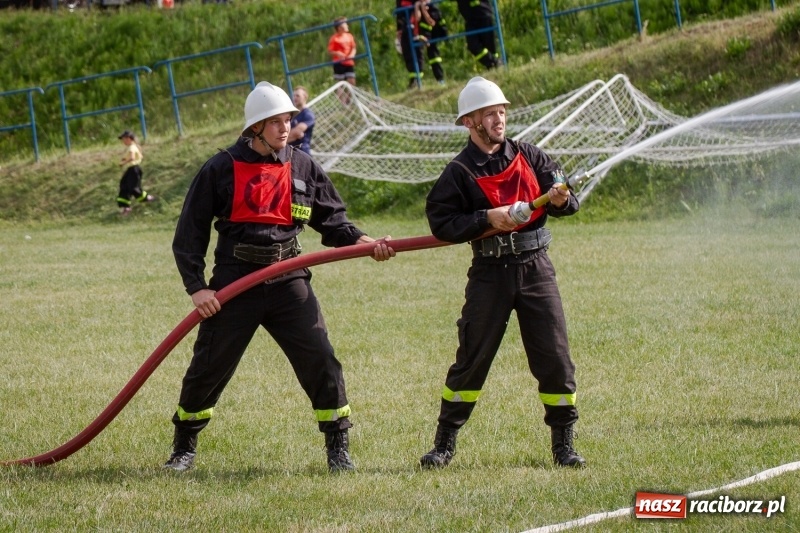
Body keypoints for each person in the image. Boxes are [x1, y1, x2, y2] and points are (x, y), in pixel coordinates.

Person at [164, 81, 395, 473]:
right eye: (274, 121)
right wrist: (198, 288)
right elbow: (189, 234)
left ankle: (338, 448)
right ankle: (184, 447)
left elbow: (333, 220)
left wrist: (365, 242)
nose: (284, 127)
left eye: (287, 119)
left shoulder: (303, 165)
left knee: (321, 358)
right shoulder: (220, 168)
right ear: (254, 127)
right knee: (208, 366)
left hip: (289, 279)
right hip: (235, 281)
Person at [419, 77, 586, 470]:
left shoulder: (530, 155)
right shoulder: (459, 171)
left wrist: (560, 198)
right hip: (490, 273)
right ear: (469, 122)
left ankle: (564, 445)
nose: (499, 119)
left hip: (536, 269)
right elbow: (441, 222)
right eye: (490, 114)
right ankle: (444, 444)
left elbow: (569, 201)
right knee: (472, 357)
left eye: (502, 112)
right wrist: (485, 218)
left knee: (555, 358)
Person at [116, 130, 155, 215]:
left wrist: (123, 163)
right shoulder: (131, 147)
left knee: (133, 187)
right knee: (124, 185)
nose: (123, 141)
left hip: (134, 169)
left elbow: (132, 158)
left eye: (124, 139)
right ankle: (126, 206)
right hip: (130, 169)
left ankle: (147, 198)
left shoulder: (132, 147)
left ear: (129, 138)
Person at [456, 0, 500, 70]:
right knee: (473, 46)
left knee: (490, 46)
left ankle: (494, 67)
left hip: (483, 14)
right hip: (470, 20)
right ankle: (495, 62)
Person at [416, 0, 447, 85]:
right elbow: (417, 18)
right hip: (426, 36)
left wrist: (423, 9)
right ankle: (439, 79)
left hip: (436, 34)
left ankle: (440, 79)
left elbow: (432, 22)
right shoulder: (420, 4)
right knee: (431, 56)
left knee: (434, 56)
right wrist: (417, 7)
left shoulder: (433, 6)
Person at [327, 17, 357, 87]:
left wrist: (352, 55)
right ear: (339, 27)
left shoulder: (349, 36)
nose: (347, 25)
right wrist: (337, 53)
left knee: (352, 82)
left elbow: (353, 47)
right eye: (345, 24)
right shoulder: (334, 38)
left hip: (349, 63)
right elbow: (330, 51)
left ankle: (348, 97)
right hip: (339, 63)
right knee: (340, 84)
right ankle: (341, 97)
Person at [288, 86, 315, 155]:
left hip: (302, 153)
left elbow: (295, 133)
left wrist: (279, 141)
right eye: (294, 96)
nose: (295, 98)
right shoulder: (292, 114)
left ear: (305, 97)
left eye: (298, 96)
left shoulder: (308, 114)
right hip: (290, 152)